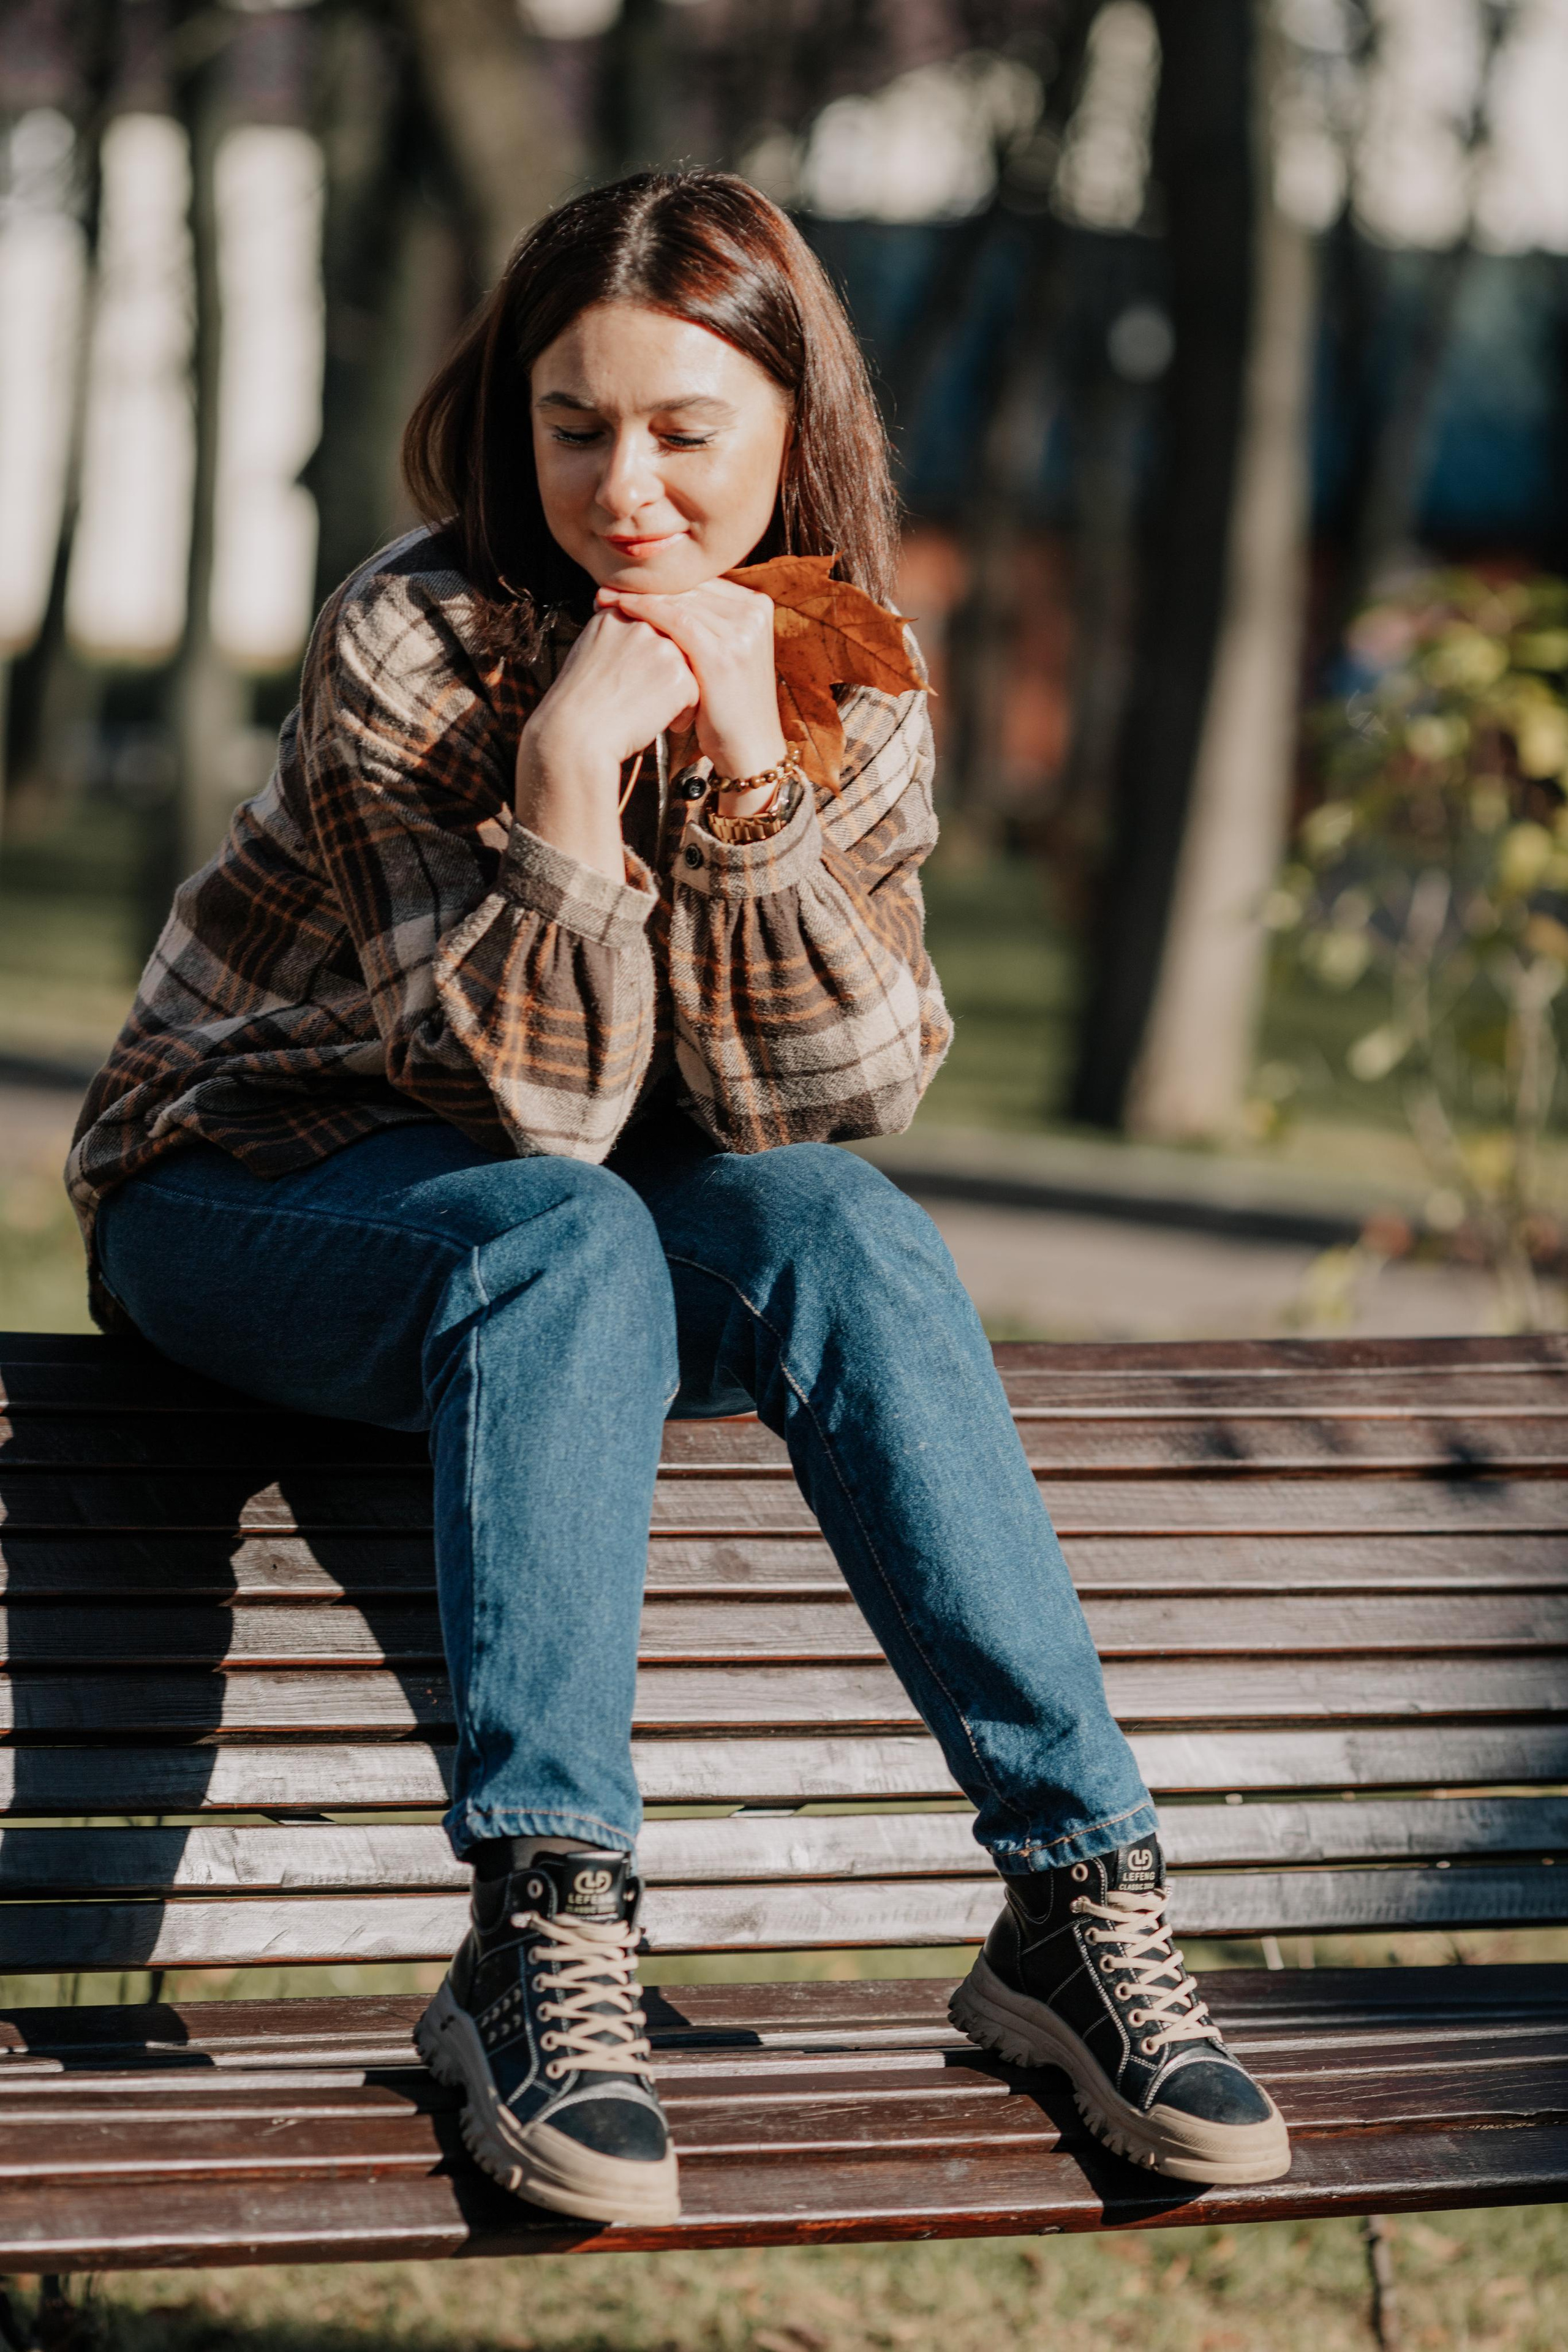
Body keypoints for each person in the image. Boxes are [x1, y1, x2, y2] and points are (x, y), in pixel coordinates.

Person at [66, 170, 1288, 2227]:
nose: (625, 486)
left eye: (683, 431)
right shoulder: (416, 637)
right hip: (254, 1182)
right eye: (575, 426)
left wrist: (740, 787)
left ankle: (1079, 1899)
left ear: (792, 432)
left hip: (575, 1246)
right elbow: (529, 1116)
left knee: (848, 1234)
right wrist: (561, 793)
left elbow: (828, 1097)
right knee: (564, 1232)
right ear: (512, 421)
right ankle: (545, 1933)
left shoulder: (853, 673)